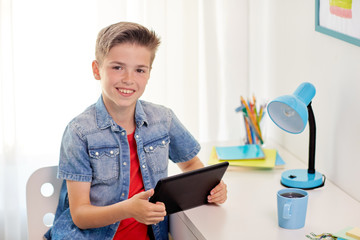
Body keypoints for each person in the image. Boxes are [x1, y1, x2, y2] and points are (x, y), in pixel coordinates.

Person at [45, 21, 227, 240]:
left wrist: (211, 189)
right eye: (117, 67)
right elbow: (80, 215)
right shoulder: (79, 132)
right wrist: (128, 209)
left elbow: (191, 164)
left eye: (140, 70)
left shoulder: (163, 119)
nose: (129, 79)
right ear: (97, 70)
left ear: (149, 74)